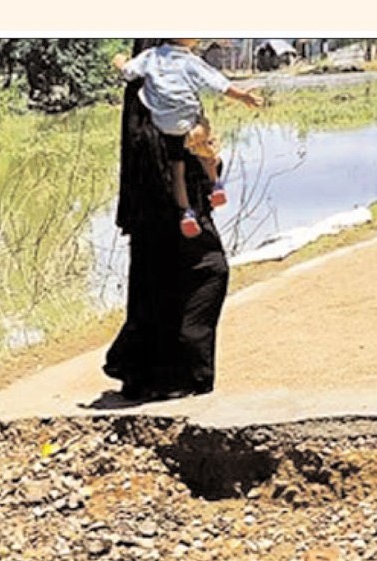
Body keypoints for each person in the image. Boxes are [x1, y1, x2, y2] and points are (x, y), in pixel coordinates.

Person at [103, 39, 231, 402]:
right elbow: (163, 150)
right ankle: (178, 372)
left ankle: (151, 375)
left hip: (156, 208)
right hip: (169, 207)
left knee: (156, 282)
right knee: (208, 270)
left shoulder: (152, 80)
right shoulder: (158, 85)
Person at [112, 39, 263, 238]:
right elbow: (219, 83)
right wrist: (243, 96)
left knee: (177, 169)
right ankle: (215, 182)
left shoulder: (150, 56)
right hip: (189, 120)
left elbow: (129, 72)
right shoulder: (190, 60)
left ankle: (185, 213)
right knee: (203, 147)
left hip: (164, 126)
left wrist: (120, 61)